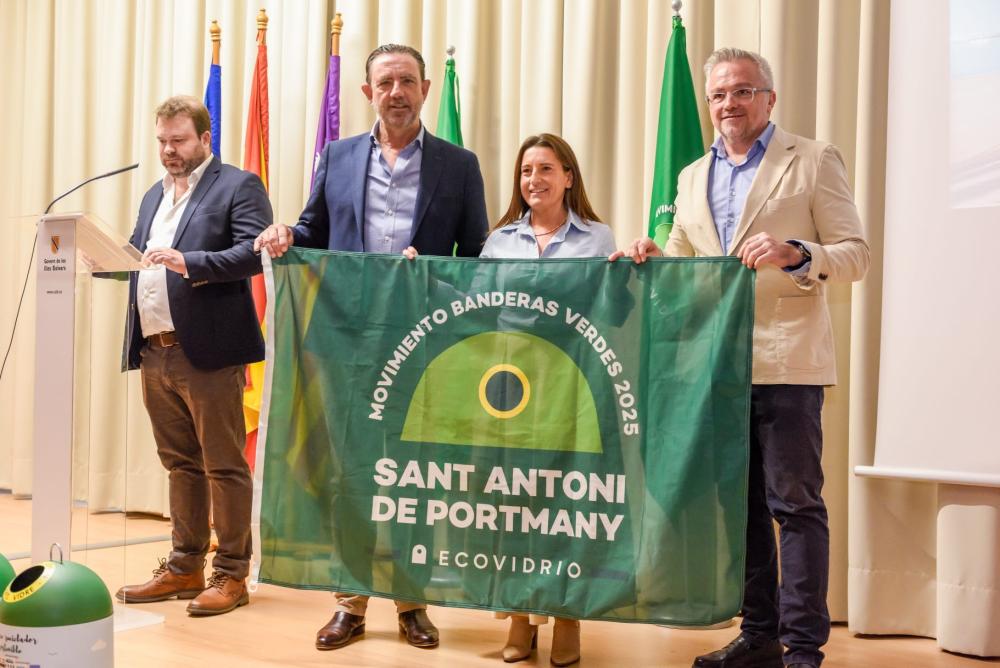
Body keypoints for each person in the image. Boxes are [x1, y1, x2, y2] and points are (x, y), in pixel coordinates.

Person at [616, 48, 869, 668]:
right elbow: (686, 259)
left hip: (786, 363)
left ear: (769, 99)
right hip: (716, 368)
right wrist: (654, 252)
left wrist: (796, 251)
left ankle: (803, 648)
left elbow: (856, 254)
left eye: (742, 92)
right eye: (719, 95)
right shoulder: (689, 176)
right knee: (745, 508)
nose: (729, 104)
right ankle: (758, 637)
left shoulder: (812, 159)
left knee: (795, 505)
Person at [254, 43, 489, 651]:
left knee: (412, 473)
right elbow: (314, 230)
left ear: (425, 87)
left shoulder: (459, 165)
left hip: (424, 342)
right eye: (385, 82)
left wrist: (431, 270)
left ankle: (411, 603)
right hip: (347, 340)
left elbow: (479, 256)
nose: (396, 92)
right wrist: (286, 233)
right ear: (367, 93)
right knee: (350, 472)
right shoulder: (337, 156)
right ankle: (350, 601)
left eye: (407, 81)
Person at [113, 95, 272, 616]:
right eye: (162, 140)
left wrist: (191, 261)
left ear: (206, 138)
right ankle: (184, 566)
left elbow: (253, 251)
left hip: (208, 350)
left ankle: (231, 575)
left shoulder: (237, 185)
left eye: (179, 140)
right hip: (154, 349)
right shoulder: (153, 195)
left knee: (223, 465)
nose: (169, 151)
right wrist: (105, 257)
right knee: (180, 463)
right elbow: (139, 256)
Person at [483, 133, 615, 666]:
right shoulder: (499, 240)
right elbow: (478, 308)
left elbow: (612, 309)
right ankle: (518, 618)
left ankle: (567, 617)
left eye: (545, 169)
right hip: (511, 387)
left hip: (574, 386)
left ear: (568, 176)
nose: (533, 180)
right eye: (525, 171)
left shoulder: (598, 237)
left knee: (567, 506)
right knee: (512, 506)